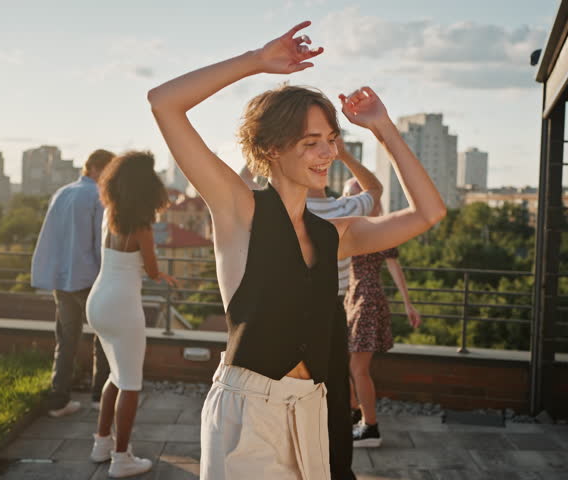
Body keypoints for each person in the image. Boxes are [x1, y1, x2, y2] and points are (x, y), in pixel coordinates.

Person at [147, 21, 446, 480]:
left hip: (314, 411)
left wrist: (383, 127)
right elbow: (164, 102)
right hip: (250, 412)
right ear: (271, 148)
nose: (327, 153)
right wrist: (255, 62)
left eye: (331, 140)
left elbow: (428, 213)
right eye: (311, 143)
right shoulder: (238, 209)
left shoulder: (332, 232)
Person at [85, 151, 178, 478]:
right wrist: (162, 276)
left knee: (116, 374)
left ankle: (101, 443)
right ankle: (121, 458)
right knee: (131, 383)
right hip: (123, 307)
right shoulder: (142, 226)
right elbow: (152, 270)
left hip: (98, 302)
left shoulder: (108, 212)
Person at [305, 138, 381, 480]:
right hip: (333, 311)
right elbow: (376, 189)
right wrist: (345, 153)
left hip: (291, 311)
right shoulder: (343, 210)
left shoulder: (284, 209)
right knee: (335, 399)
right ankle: (338, 471)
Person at [31, 149, 114, 418]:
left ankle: (59, 400)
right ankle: (100, 397)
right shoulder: (97, 197)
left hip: (62, 279)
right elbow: (98, 243)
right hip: (89, 278)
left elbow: (50, 237)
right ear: (98, 169)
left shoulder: (62, 193)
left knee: (66, 340)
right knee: (103, 338)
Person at [341, 178, 422, 448]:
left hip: (368, 301)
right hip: (351, 300)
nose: (351, 201)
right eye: (348, 196)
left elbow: (394, 268)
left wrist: (408, 304)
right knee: (342, 364)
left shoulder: (377, 230)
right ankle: (355, 412)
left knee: (358, 369)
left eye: (357, 196)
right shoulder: (350, 226)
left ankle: (370, 427)